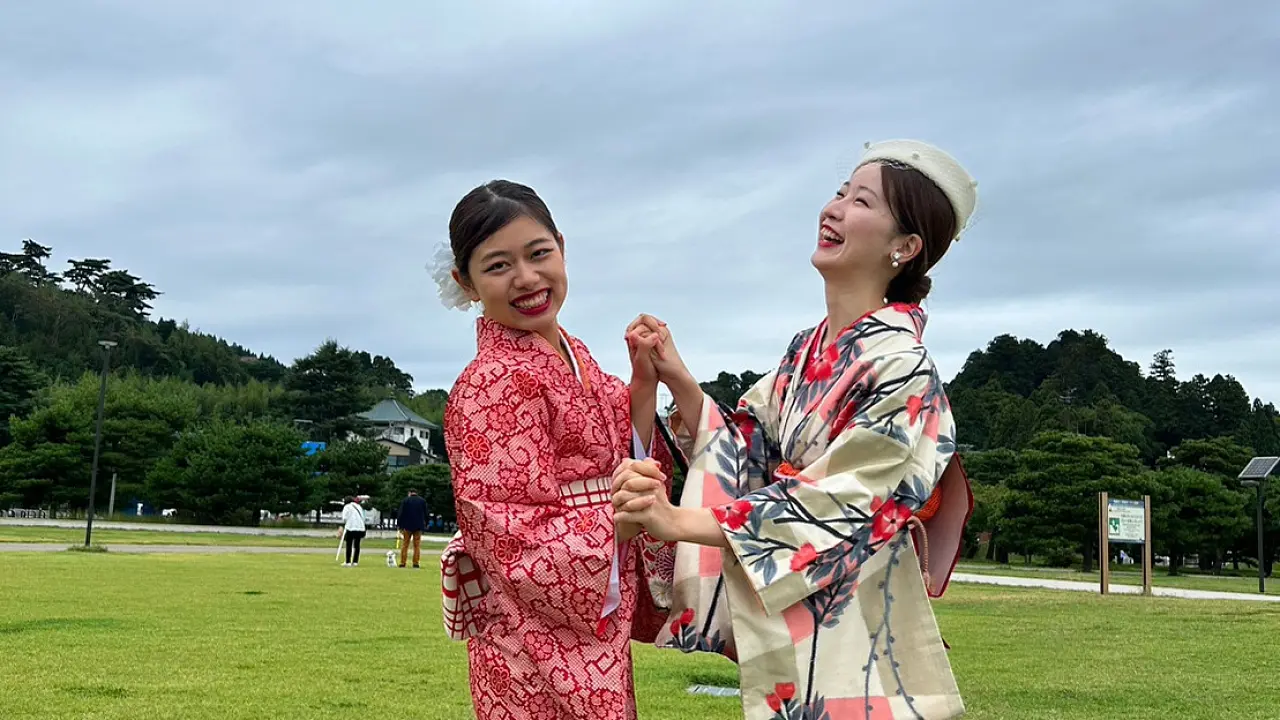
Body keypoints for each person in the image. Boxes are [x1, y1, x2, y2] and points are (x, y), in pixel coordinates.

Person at [613, 140, 977, 719]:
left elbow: (840, 504)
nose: (833, 209)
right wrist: (676, 377)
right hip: (810, 609)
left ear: (905, 247)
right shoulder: (807, 350)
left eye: (861, 201)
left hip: (856, 605)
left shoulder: (902, 365)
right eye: (839, 193)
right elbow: (744, 444)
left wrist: (675, 519)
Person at [432, 180, 677, 720]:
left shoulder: (579, 358)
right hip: (527, 632)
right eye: (497, 266)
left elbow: (622, 452)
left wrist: (642, 384)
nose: (526, 278)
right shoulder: (488, 384)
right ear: (465, 282)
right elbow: (504, 530)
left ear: (561, 247)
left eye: (539, 253)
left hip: (590, 615)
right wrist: (618, 527)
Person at [396, 488, 428, 568]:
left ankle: (403, 562)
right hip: (418, 526)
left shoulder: (406, 501)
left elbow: (401, 513)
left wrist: (399, 525)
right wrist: (426, 524)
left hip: (407, 526)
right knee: (417, 545)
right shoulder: (422, 501)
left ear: (409, 493)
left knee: (405, 544)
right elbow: (426, 513)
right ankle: (415, 563)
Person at [339, 496, 367, 567]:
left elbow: (344, 518)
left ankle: (348, 561)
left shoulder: (347, 507)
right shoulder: (359, 506)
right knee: (357, 545)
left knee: (349, 544)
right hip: (360, 528)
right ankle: (355, 561)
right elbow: (363, 517)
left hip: (351, 527)